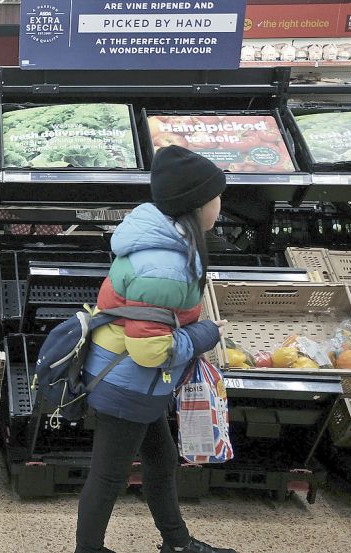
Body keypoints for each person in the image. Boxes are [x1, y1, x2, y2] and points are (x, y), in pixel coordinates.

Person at [74, 145, 236, 553]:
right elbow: (150, 349)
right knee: (109, 476)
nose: (221, 204)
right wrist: (205, 334)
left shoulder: (168, 245)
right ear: (195, 205)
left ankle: (177, 543)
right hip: (129, 380)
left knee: (161, 463)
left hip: (134, 380)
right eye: (217, 196)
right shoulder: (166, 264)